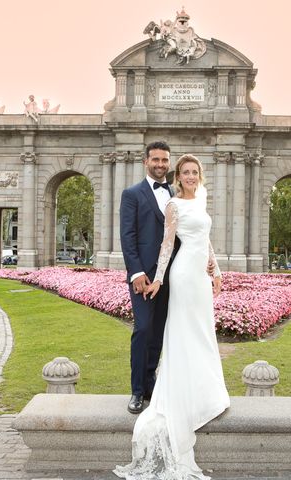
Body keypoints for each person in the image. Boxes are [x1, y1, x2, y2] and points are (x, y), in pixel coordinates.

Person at [115, 154, 229, 480]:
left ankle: (207, 391)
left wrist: (217, 271)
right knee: (181, 333)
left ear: (199, 175)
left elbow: (205, 239)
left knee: (204, 332)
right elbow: (167, 246)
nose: (191, 176)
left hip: (201, 277)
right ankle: (168, 393)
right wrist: (159, 278)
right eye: (186, 172)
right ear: (179, 176)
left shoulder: (202, 199)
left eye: (195, 172)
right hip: (181, 276)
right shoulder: (174, 205)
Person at [119, 141, 175, 415]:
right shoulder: (132, 194)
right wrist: (137, 273)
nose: (161, 164)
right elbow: (128, 237)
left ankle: (151, 385)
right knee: (142, 330)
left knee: (159, 333)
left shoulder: (176, 194)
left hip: (171, 277)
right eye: (156, 160)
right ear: (146, 162)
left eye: (165, 160)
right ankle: (137, 391)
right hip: (144, 277)